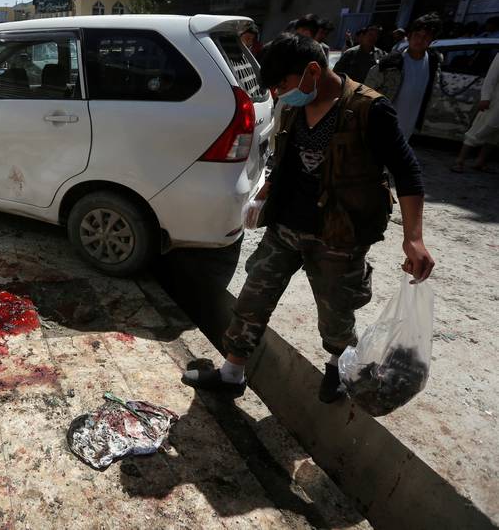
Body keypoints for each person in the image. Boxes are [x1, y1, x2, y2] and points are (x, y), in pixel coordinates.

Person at [182, 33, 434, 403]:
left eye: (282, 84)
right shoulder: (297, 105)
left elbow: (408, 172)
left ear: (312, 71)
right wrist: (264, 193)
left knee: (336, 312)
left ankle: (338, 369)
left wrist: (413, 237)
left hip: (339, 235)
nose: (279, 94)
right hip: (286, 227)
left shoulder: (369, 109)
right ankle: (231, 374)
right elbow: (287, 158)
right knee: (253, 297)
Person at [365, 13, 443, 140]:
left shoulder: (433, 64)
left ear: (432, 40)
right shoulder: (391, 62)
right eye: (417, 35)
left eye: (425, 37)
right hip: (381, 125)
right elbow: (367, 90)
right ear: (409, 36)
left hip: (407, 129)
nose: (420, 40)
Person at [452, 52, 499, 172]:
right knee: (481, 128)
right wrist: (485, 97)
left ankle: (480, 161)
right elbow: (491, 78)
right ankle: (460, 161)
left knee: (495, 135)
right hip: (495, 101)